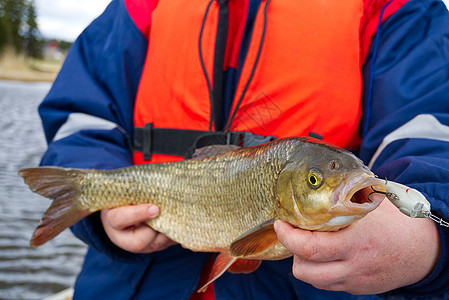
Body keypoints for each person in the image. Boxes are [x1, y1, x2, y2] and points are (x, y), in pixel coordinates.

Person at [37, 0, 449, 299]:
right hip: (133, 283)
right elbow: (79, 118)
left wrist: (429, 237)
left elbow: (432, 133)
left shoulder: (395, 8)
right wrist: (102, 209)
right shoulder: (137, 7)